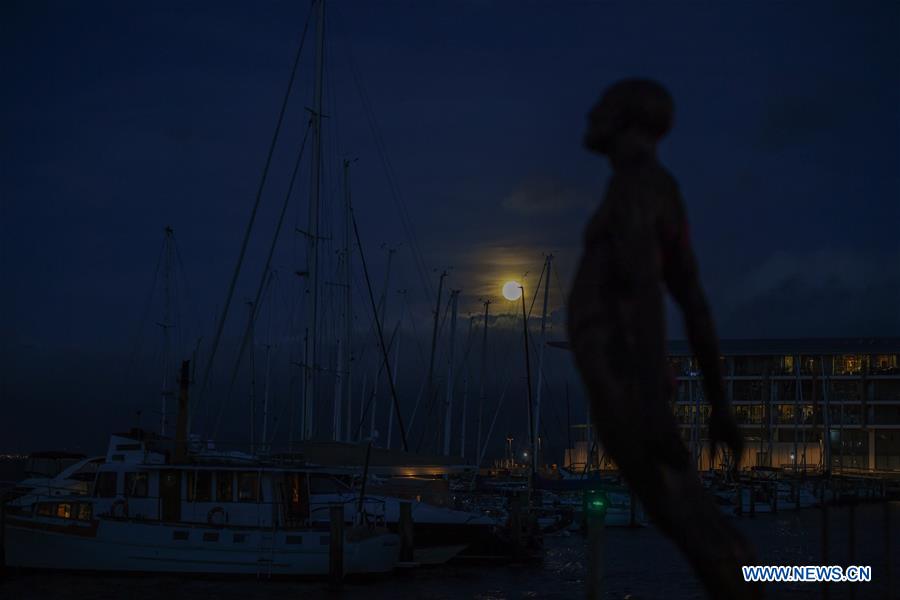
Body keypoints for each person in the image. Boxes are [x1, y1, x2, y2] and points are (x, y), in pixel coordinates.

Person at [567, 79, 761, 599]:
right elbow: (693, 302)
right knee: (690, 516)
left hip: (623, 379)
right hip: (627, 378)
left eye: (604, 106)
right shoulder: (658, 190)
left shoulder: (635, 191)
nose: (591, 114)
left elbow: (647, 294)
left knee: (687, 519)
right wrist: (719, 405)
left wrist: (650, 401)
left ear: (629, 122)